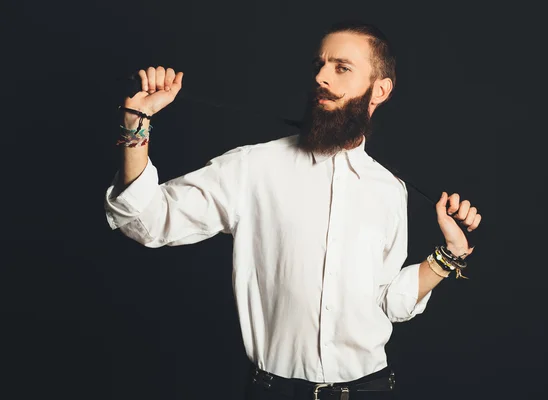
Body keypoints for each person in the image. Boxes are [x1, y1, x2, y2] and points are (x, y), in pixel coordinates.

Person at [104, 21, 482, 400]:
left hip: (373, 390)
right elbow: (145, 221)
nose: (322, 77)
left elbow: (388, 302)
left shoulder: (389, 190)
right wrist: (136, 125)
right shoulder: (253, 168)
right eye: (319, 65)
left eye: (341, 67)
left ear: (379, 90)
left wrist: (450, 254)